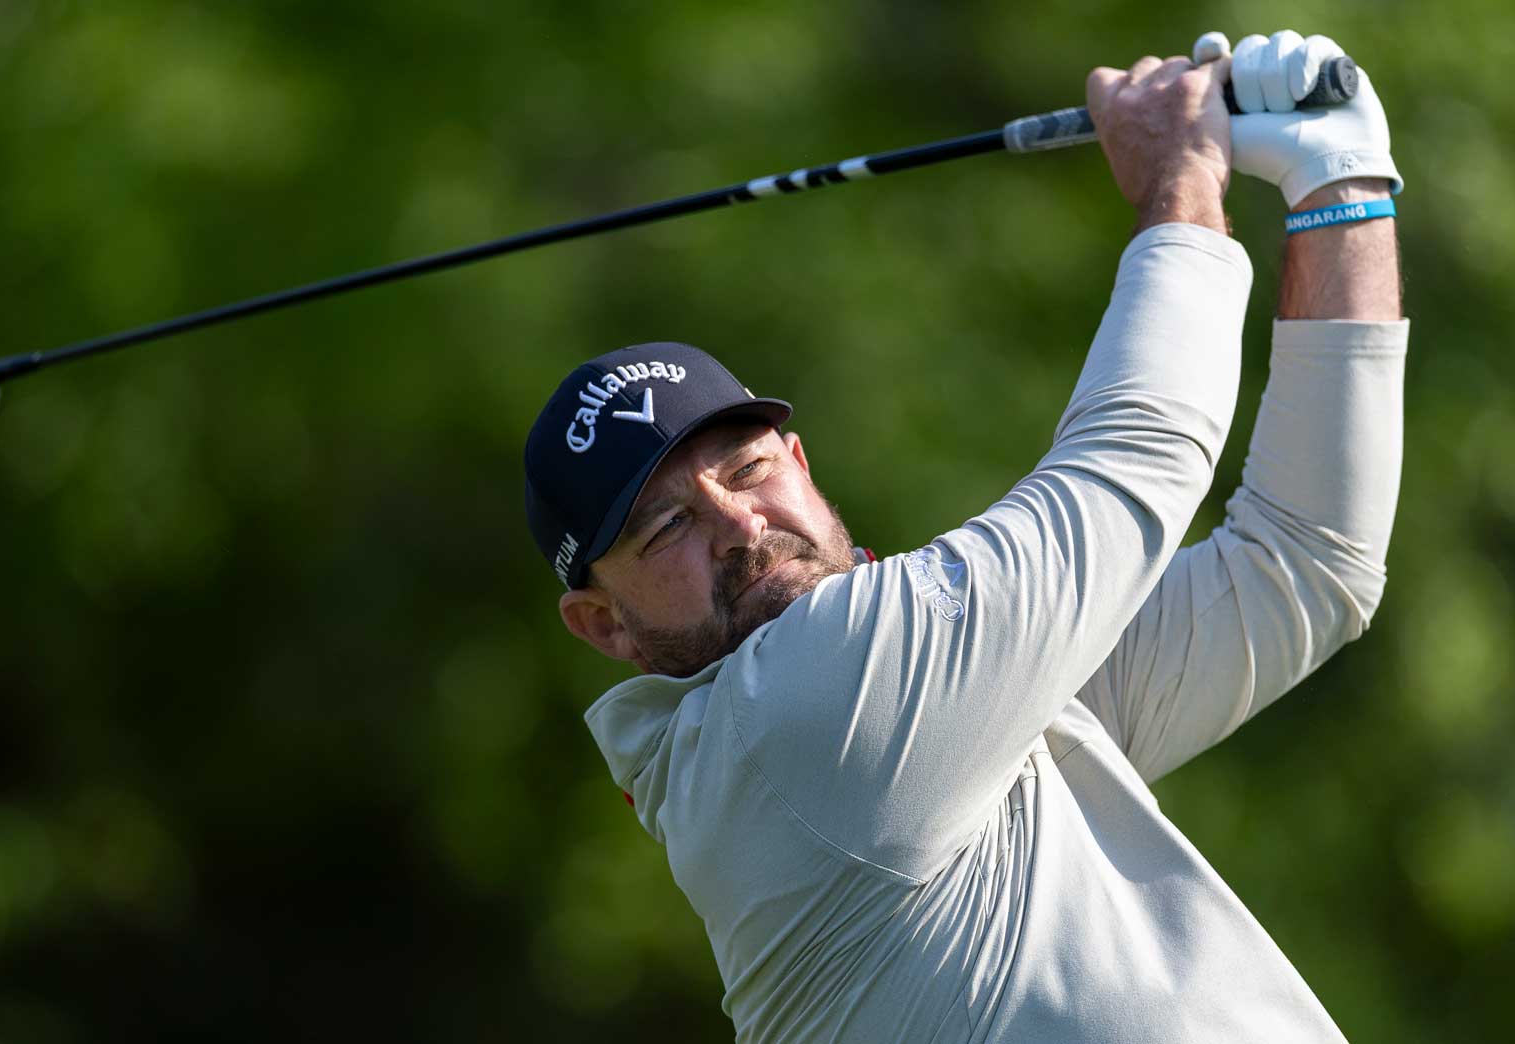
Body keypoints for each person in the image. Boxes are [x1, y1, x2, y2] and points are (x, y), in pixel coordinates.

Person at [521, 28, 1406, 1043]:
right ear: (601, 626)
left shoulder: (945, 717)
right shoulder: (796, 716)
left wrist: (1340, 191)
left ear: (800, 467)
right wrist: (1179, 174)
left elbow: (1298, 566)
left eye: (748, 469)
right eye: (666, 525)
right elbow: (1134, 462)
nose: (737, 527)